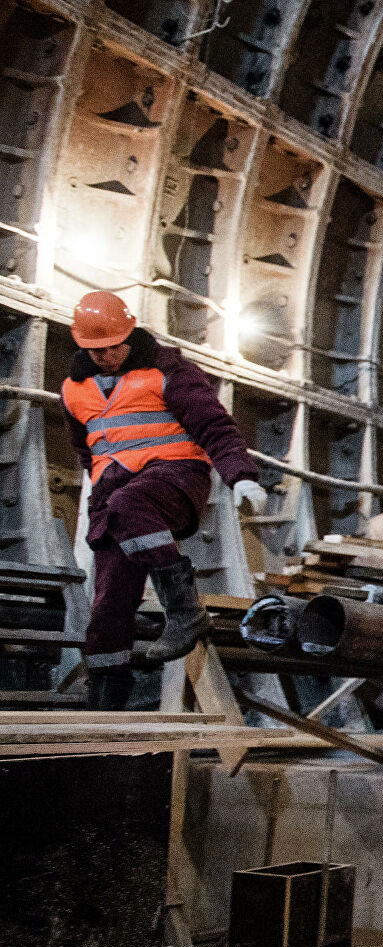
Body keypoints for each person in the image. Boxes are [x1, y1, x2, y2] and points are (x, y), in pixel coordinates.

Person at [60, 292, 269, 709]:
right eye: (94, 350)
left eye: (112, 346)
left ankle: (184, 612)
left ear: (130, 333)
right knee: (108, 604)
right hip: (114, 498)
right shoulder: (72, 390)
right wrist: (100, 488)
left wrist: (241, 477)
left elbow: (214, 426)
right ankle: (105, 699)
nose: (105, 356)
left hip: (174, 479)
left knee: (129, 506)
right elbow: (89, 452)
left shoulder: (168, 371)